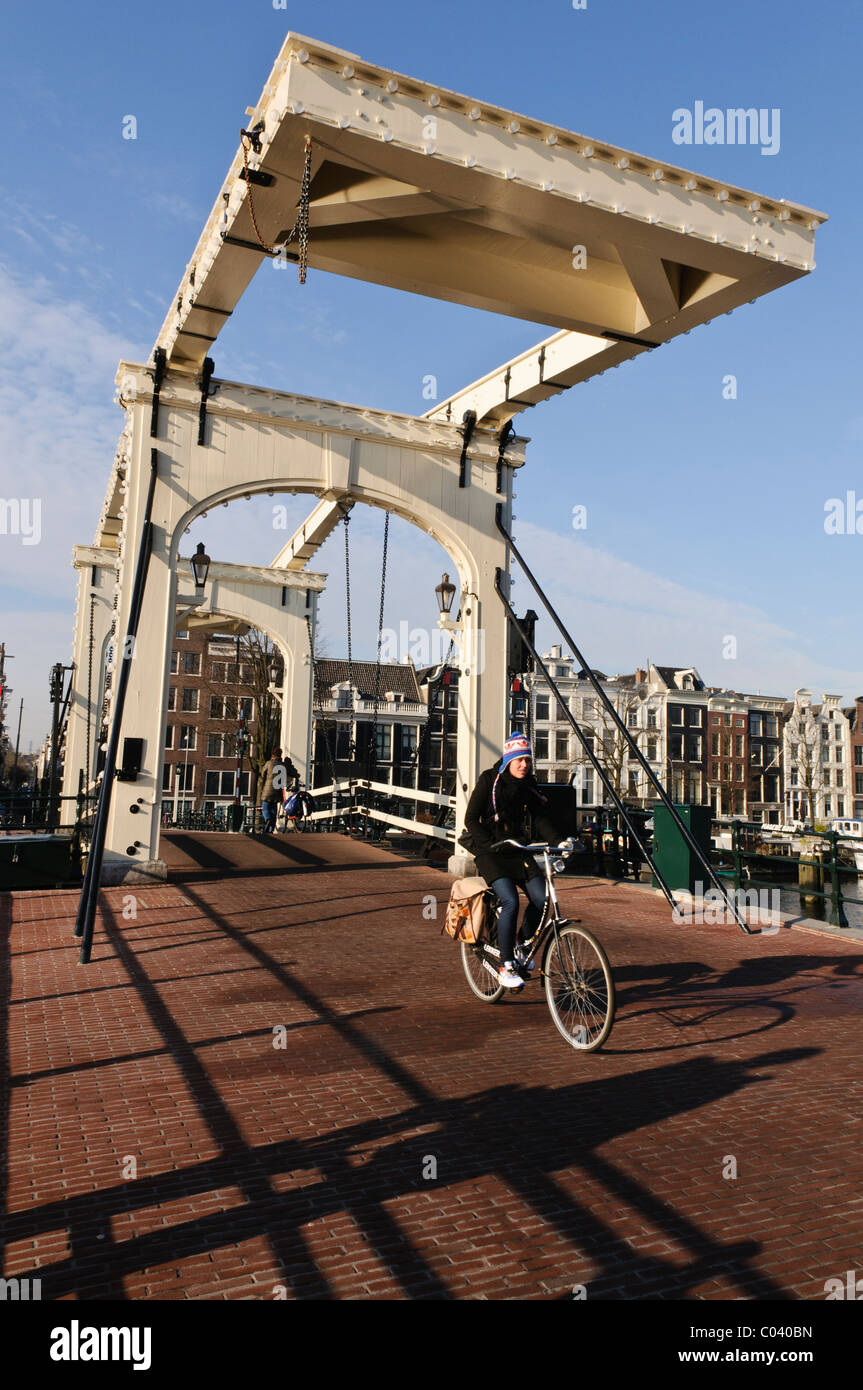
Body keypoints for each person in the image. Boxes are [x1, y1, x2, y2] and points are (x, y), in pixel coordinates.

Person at [461, 732, 572, 990]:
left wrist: (559, 841)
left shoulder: (527, 786)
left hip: (517, 849)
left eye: (527, 760)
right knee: (510, 900)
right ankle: (506, 963)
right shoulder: (489, 780)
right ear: (509, 759)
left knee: (540, 898)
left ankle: (521, 943)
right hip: (491, 851)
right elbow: (471, 819)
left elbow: (541, 819)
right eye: (519, 760)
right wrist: (488, 844)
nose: (524, 765)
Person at [260, 748, 298, 833]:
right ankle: (271, 830)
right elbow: (295, 774)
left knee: (265, 809)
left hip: (268, 790)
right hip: (278, 791)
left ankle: (268, 820)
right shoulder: (284, 765)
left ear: (272, 755)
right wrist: (289, 764)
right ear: (280, 755)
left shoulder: (269, 763)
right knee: (274, 810)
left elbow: (263, 774)